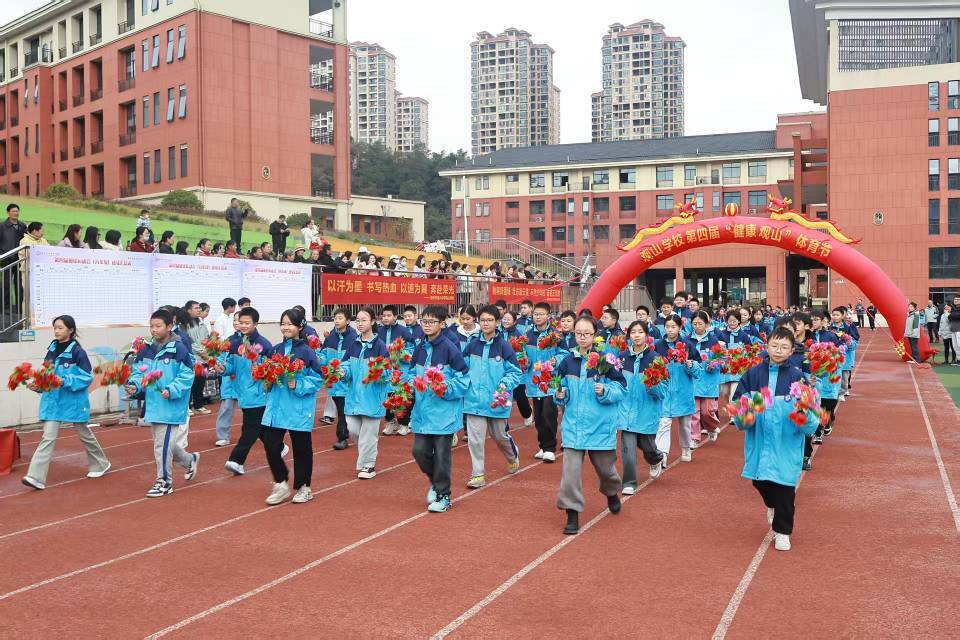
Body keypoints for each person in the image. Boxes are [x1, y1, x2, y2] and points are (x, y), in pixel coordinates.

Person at [733, 326, 819, 552]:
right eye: (775, 345)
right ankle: (771, 505)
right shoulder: (752, 375)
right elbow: (739, 411)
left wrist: (803, 416)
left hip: (786, 443)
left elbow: (812, 420)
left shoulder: (797, 378)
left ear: (791, 351)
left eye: (784, 347)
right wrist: (747, 414)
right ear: (767, 346)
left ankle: (783, 532)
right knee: (760, 482)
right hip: (759, 442)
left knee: (785, 489)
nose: (778, 350)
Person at [553, 315, 627, 535]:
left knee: (606, 470)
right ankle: (572, 512)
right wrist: (560, 395)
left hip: (600, 426)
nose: (582, 337)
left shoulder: (606, 361)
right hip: (573, 426)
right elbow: (560, 388)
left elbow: (621, 388)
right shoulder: (567, 361)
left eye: (587, 333)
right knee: (570, 474)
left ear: (595, 335)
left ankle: (611, 492)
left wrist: (605, 391)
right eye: (578, 333)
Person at [21, 315, 111, 490]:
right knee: (47, 437)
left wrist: (64, 380)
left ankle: (100, 463)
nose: (56, 331)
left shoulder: (78, 352)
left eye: (60, 328)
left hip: (73, 401)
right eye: (55, 328)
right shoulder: (52, 350)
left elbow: (87, 377)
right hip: (53, 401)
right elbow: (46, 374)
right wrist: (38, 385)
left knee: (84, 433)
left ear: (70, 330)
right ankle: (35, 477)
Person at [126, 309, 200, 497]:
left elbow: (187, 375)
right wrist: (135, 386)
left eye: (158, 326)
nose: (154, 330)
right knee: (165, 444)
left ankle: (164, 482)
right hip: (153, 405)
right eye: (151, 326)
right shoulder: (146, 350)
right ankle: (189, 460)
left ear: (169, 326)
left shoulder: (178, 349)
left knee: (161, 446)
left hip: (170, 406)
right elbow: (138, 372)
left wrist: (172, 389)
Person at [407, 305, 470, 513]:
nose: (426, 325)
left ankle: (444, 496)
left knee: (442, 455)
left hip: (444, 412)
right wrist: (408, 383)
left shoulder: (450, 348)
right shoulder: (420, 347)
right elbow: (411, 372)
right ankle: (436, 482)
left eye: (431, 322)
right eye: (424, 321)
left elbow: (463, 379)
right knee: (419, 451)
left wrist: (444, 387)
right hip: (422, 412)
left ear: (442, 324)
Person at [261, 308, 322, 505]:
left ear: (300, 326)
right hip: (276, 407)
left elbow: (318, 379)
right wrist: (266, 382)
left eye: (290, 324)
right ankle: (281, 483)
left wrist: (298, 384)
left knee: (301, 448)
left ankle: (304, 487)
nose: (285, 327)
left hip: (298, 407)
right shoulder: (275, 350)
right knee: (270, 444)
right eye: (283, 323)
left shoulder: (307, 352)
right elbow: (267, 373)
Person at [463, 305, 522, 488]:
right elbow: (462, 368)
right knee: (475, 440)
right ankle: (477, 474)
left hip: (497, 402)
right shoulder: (472, 345)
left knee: (499, 436)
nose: (486, 323)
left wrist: (504, 385)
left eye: (490, 320)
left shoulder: (504, 346)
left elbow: (515, 372)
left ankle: (512, 456)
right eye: (483, 320)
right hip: (474, 401)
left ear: (497, 322)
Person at [217, 306, 274, 476]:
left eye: (247, 323)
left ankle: (236, 460)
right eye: (240, 322)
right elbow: (231, 366)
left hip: (258, 393)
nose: (242, 325)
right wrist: (223, 369)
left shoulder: (264, 345)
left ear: (255, 324)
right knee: (258, 427)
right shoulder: (235, 344)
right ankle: (278, 448)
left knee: (250, 428)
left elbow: (270, 369)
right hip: (242, 391)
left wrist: (261, 372)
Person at [617, 320, 667, 494]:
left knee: (647, 447)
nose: (636, 335)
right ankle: (629, 482)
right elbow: (616, 381)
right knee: (628, 449)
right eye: (633, 332)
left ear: (647, 335)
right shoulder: (622, 357)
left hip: (647, 410)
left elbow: (663, 390)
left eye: (640, 332)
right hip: (626, 410)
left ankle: (656, 458)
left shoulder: (655, 359)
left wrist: (653, 385)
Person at [342, 307, 391, 479]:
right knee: (353, 429)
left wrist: (379, 372)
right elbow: (346, 365)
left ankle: (369, 465)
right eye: (358, 320)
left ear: (372, 322)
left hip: (372, 398)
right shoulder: (353, 344)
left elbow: (388, 371)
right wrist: (342, 372)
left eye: (364, 320)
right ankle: (366, 456)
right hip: (354, 397)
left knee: (369, 434)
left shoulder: (380, 346)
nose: (360, 323)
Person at [655, 314, 701, 463]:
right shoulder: (658, 346)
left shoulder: (688, 345)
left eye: (673, 327)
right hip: (665, 390)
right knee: (663, 423)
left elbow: (698, 369)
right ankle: (662, 454)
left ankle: (686, 447)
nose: (670, 330)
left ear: (680, 327)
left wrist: (691, 365)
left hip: (683, 390)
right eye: (667, 327)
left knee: (685, 424)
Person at [523, 302, 563, 462]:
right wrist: (524, 361)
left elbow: (564, 353)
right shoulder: (528, 335)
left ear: (548, 316)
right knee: (538, 417)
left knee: (549, 414)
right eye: (535, 314)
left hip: (551, 381)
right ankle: (543, 445)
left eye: (541, 314)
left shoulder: (555, 335)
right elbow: (523, 356)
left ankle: (550, 448)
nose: (537, 317)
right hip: (534, 381)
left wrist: (556, 360)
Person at [320, 308, 358, 449]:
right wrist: (318, 359)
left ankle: (342, 437)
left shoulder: (354, 338)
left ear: (348, 321)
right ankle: (348, 433)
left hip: (348, 382)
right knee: (343, 410)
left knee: (343, 411)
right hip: (334, 382)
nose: (336, 321)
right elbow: (323, 354)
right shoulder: (330, 337)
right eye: (335, 318)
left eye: (340, 318)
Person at [378, 305, 414, 436]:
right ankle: (390, 422)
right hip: (385, 371)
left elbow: (411, 351)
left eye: (389, 316)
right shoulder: (379, 331)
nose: (386, 318)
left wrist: (399, 352)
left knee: (401, 397)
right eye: (384, 316)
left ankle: (404, 424)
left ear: (395, 317)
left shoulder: (404, 331)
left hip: (400, 371)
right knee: (386, 396)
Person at [689, 310, 722, 446]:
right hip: (693, 380)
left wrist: (713, 365)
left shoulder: (713, 340)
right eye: (694, 324)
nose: (697, 326)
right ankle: (694, 438)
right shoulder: (687, 340)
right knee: (694, 412)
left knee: (707, 411)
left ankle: (712, 427)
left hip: (709, 380)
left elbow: (720, 358)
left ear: (707, 324)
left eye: (700, 323)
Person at [499, 310, 534, 427]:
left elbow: (523, 354)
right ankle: (504, 425)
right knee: (502, 395)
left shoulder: (518, 335)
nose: (505, 321)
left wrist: (523, 363)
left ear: (514, 322)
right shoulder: (498, 333)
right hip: (501, 370)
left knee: (519, 396)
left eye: (508, 319)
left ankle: (527, 413)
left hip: (516, 370)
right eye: (504, 319)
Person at [214, 311, 241, 447]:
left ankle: (261, 432)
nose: (236, 323)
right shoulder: (229, 340)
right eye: (235, 320)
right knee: (226, 408)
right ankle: (223, 436)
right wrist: (219, 365)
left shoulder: (253, 341)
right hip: (229, 381)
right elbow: (221, 358)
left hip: (245, 382)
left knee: (253, 410)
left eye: (239, 320)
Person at [183, 299, 211, 415]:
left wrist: (207, 352)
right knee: (191, 382)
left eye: (199, 308)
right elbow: (189, 341)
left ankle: (198, 405)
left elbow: (207, 338)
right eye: (196, 308)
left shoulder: (201, 323)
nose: (199, 310)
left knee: (200, 382)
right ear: (189, 310)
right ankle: (187, 406)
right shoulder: (184, 325)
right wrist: (201, 352)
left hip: (203, 358)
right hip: (193, 358)